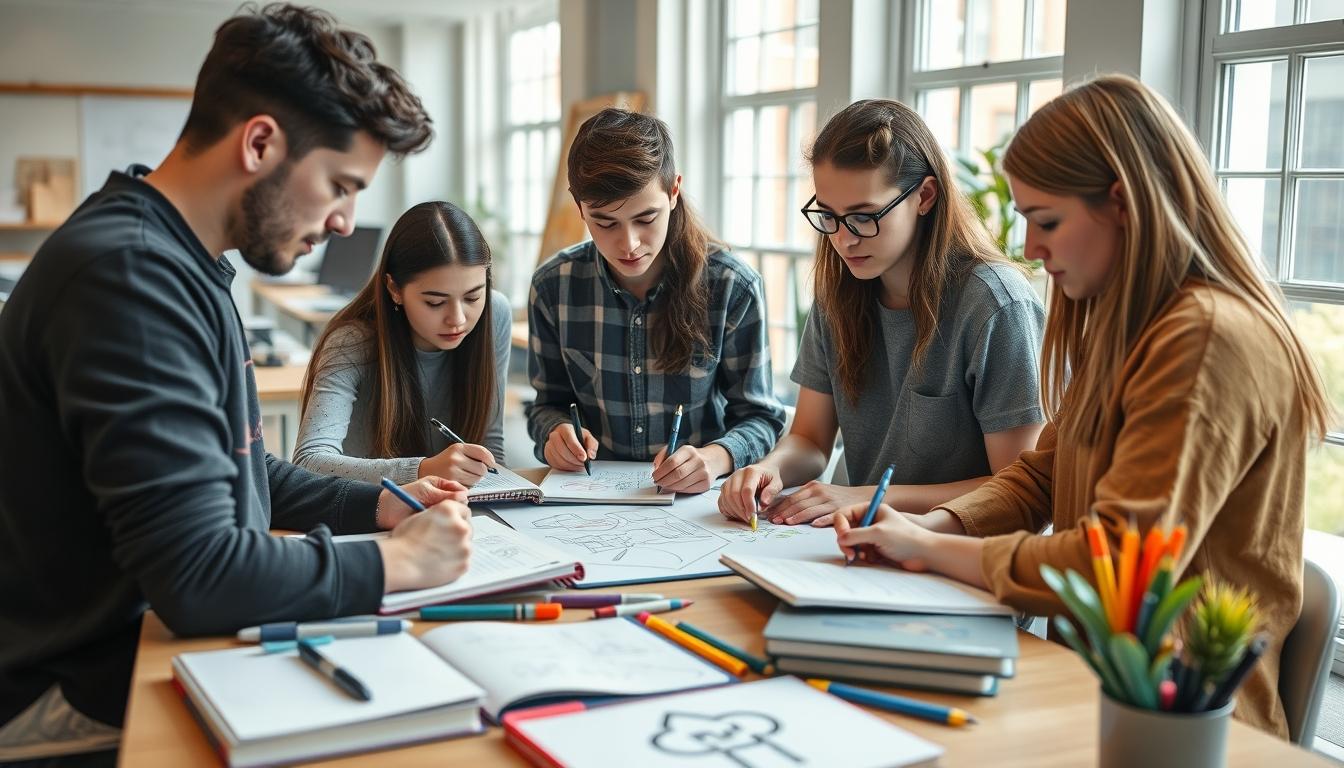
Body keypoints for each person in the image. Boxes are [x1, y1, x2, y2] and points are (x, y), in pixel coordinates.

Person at [0, 6, 475, 763]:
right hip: (71, 695)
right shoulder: (129, 279)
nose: (348, 222)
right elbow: (200, 574)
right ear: (260, 142)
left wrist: (379, 504)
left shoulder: (179, 261)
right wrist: (401, 562)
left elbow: (241, 473)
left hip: (137, 651)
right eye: (340, 185)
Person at [830, 75, 1331, 737]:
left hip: (1179, 720)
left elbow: (1119, 565)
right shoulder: (1135, 324)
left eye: (1046, 221)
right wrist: (942, 527)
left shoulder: (1205, 338)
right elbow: (1044, 474)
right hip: (1090, 682)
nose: (1032, 248)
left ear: (1122, 203)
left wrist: (929, 549)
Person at [719, 99, 1045, 526]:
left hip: (964, 554)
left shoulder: (996, 304)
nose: (843, 240)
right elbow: (811, 440)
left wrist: (869, 497)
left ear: (924, 196)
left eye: (864, 217)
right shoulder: (837, 292)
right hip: (865, 543)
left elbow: (1017, 489)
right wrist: (770, 469)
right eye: (830, 217)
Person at [526, 108, 786, 493]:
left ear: (674, 191)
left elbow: (761, 417)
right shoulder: (553, 287)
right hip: (590, 501)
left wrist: (715, 458)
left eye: (646, 218)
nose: (628, 244)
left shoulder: (733, 286)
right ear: (578, 205)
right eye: (605, 222)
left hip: (696, 503)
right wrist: (555, 433)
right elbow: (546, 404)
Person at [294, 201, 510, 486]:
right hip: (368, 512)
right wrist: (423, 470)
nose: (457, 319)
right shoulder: (351, 342)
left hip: (455, 512)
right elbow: (309, 461)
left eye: (472, 297)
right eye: (435, 302)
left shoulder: (495, 314)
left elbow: (489, 441)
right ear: (394, 289)